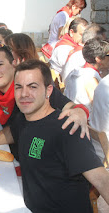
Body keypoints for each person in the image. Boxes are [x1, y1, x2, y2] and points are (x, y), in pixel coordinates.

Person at [0, 45, 90, 161]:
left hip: (35, 159)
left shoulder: (31, 88)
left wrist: (80, 111)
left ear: (13, 64)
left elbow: (70, 106)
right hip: (10, 151)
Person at [11, 59, 108, 212]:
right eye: (19, 87)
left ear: (49, 91)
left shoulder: (67, 128)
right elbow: (10, 133)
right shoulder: (22, 119)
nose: (24, 94)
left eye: (33, 87)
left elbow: (102, 181)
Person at [64, 38, 109, 111]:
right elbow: (98, 105)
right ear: (98, 59)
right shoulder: (90, 79)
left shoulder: (77, 72)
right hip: (85, 118)